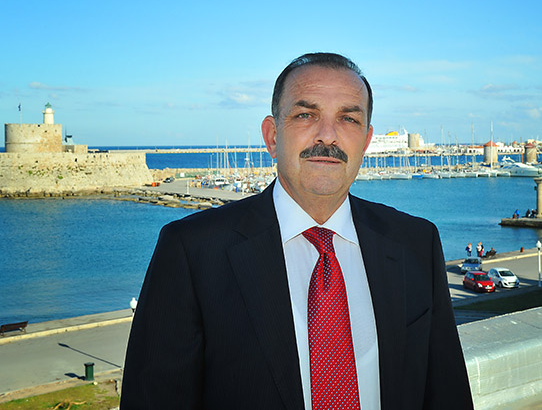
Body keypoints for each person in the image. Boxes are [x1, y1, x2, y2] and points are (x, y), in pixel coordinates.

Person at [121, 53, 474, 409]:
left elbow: (446, 392)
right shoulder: (192, 252)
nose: (328, 135)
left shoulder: (415, 243)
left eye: (348, 119)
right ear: (272, 136)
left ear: (366, 141)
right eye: (306, 115)